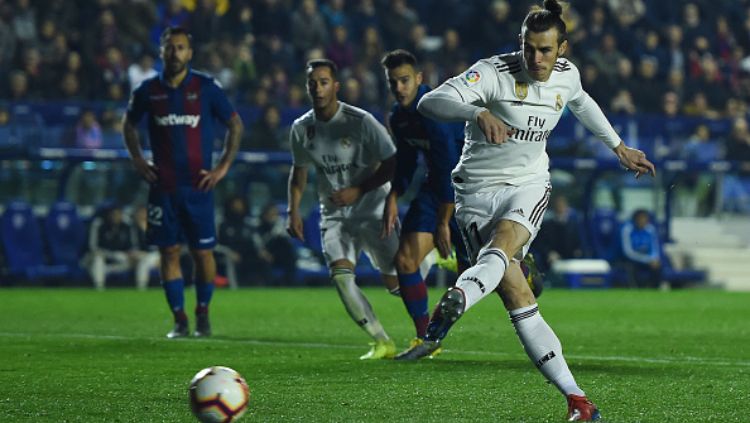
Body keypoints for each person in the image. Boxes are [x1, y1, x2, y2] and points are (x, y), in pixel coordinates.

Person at [397, 1, 656, 421]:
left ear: (562, 48)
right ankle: (577, 399)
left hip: (528, 184)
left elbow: (582, 102)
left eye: (545, 50)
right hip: (476, 191)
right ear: (521, 43)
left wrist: (619, 147)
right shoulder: (493, 72)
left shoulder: (566, 75)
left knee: (501, 248)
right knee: (517, 292)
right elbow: (430, 104)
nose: (536, 59)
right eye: (529, 48)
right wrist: (476, 110)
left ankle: (460, 297)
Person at [122, 26, 243, 338]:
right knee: (169, 253)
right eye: (169, 47)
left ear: (190, 53)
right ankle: (179, 319)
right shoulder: (148, 90)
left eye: (180, 48)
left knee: (203, 253)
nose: (174, 53)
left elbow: (234, 124)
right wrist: (137, 159)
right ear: (161, 52)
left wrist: (222, 167)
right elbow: (129, 123)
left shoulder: (206, 87)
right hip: (163, 187)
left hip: (199, 187)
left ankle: (202, 313)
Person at [286, 59, 410, 360]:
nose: (318, 88)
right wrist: (293, 210)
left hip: (373, 209)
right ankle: (381, 341)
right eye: (312, 82)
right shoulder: (302, 128)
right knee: (341, 276)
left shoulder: (360, 121)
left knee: (398, 284)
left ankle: (432, 256)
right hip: (334, 215)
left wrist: (360, 188)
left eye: (324, 81)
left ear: (336, 86)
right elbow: (299, 171)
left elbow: (393, 162)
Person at [379, 49, 468, 355]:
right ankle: (427, 339)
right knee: (404, 260)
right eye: (393, 82)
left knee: (484, 271)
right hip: (438, 188)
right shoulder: (398, 116)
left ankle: (526, 273)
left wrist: (444, 222)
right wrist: (393, 196)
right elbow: (406, 161)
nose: (399, 88)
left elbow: (449, 165)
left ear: (419, 79)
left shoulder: (435, 109)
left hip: (472, 187)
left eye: (404, 81)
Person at [86, 204, 139, 290]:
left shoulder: (127, 225)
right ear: (109, 215)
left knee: (132, 260)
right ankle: (99, 287)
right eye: (113, 214)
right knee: (97, 260)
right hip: (98, 255)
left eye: (118, 214)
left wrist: (131, 254)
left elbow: (132, 246)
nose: (116, 216)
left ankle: (140, 289)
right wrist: (99, 253)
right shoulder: (99, 224)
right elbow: (92, 247)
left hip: (119, 256)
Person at [620, 209, 662, 288]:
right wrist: (647, 260)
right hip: (633, 260)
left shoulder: (650, 229)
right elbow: (628, 252)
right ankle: (636, 290)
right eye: (640, 219)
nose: (643, 221)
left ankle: (655, 289)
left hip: (649, 259)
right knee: (631, 267)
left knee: (658, 266)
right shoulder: (627, 230)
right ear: (635, 219)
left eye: (645, 218)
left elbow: (655, 248)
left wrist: (654, 259)